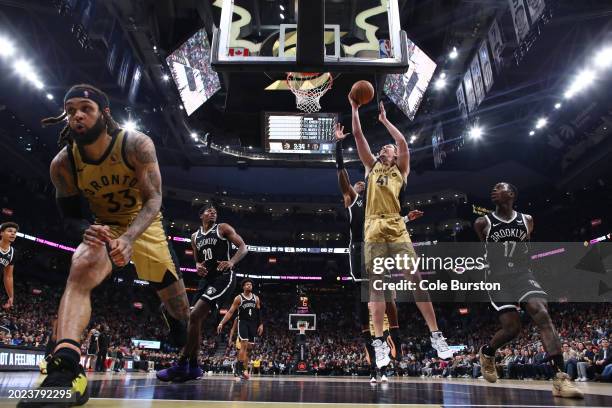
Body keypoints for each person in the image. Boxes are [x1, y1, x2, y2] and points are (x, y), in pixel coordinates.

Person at [18, 84, 191, 407]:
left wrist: (129, 238)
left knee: (182, 312)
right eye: (71, 111)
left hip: (145, 224)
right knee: (80, 267)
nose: (77, 116)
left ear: (104, 114)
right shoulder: (63, 164)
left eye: (85, 108)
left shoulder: (135, 144)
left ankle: (175, 323)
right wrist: (87, 229)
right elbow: (69, 216)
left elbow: (154, 199)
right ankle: (66, 368)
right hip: (106, 226)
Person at [349, 97, 452, 369]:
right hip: (373, 225)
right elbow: (358, 135)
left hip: (396, 225)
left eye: (390, 147)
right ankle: (380, 343)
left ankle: (436, 335)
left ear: (394, 156)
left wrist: (385, 121)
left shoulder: (401, 171)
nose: (387, 147)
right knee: (378, 286)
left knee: (416, 278)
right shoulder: (371, 167)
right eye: (384, 146)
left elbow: (404, 144)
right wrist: (355, 109)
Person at [474, 182, 583, 398]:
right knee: (512, 329)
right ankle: (488, 352)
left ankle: (561, 378)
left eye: (499, 187)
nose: (493, 190)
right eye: (492, 188)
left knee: (541, 313)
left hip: (523, 274)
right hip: (497, 277)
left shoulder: (527, 220)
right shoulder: (481, 222)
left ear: (512, 194)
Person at [157, 204, 248, 382]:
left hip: (224, 277)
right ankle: (194, 367)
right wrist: (197, 266)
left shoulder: (223, 228)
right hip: (206, 280)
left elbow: (243, 247)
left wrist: (232, 261)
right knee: (193, 319)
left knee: (195, 314)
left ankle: (182, 364)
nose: (213, 212)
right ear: (201, 216)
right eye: (209, 210)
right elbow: (198, 261)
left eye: (215, 211)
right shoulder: (194, 236)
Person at [218, 278, 263, 380]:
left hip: (253, 324)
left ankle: (242, 367)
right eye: (247, 284)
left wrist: (261, 324)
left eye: (250, 285)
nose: (249, 286)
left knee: (249, 348)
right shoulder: (239, 298)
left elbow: (259, 312)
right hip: (243, 322)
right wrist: (222, 323)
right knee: (243, 345)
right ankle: (239, 370)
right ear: (243, 287)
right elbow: (230, 312)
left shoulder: (256, 298)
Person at [0, 222, 18, 310]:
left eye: (15, 232)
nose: (13, 233)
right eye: (10, 231)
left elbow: (8, 276)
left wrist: (11, 296)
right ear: (1, 233)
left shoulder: (13, 252)